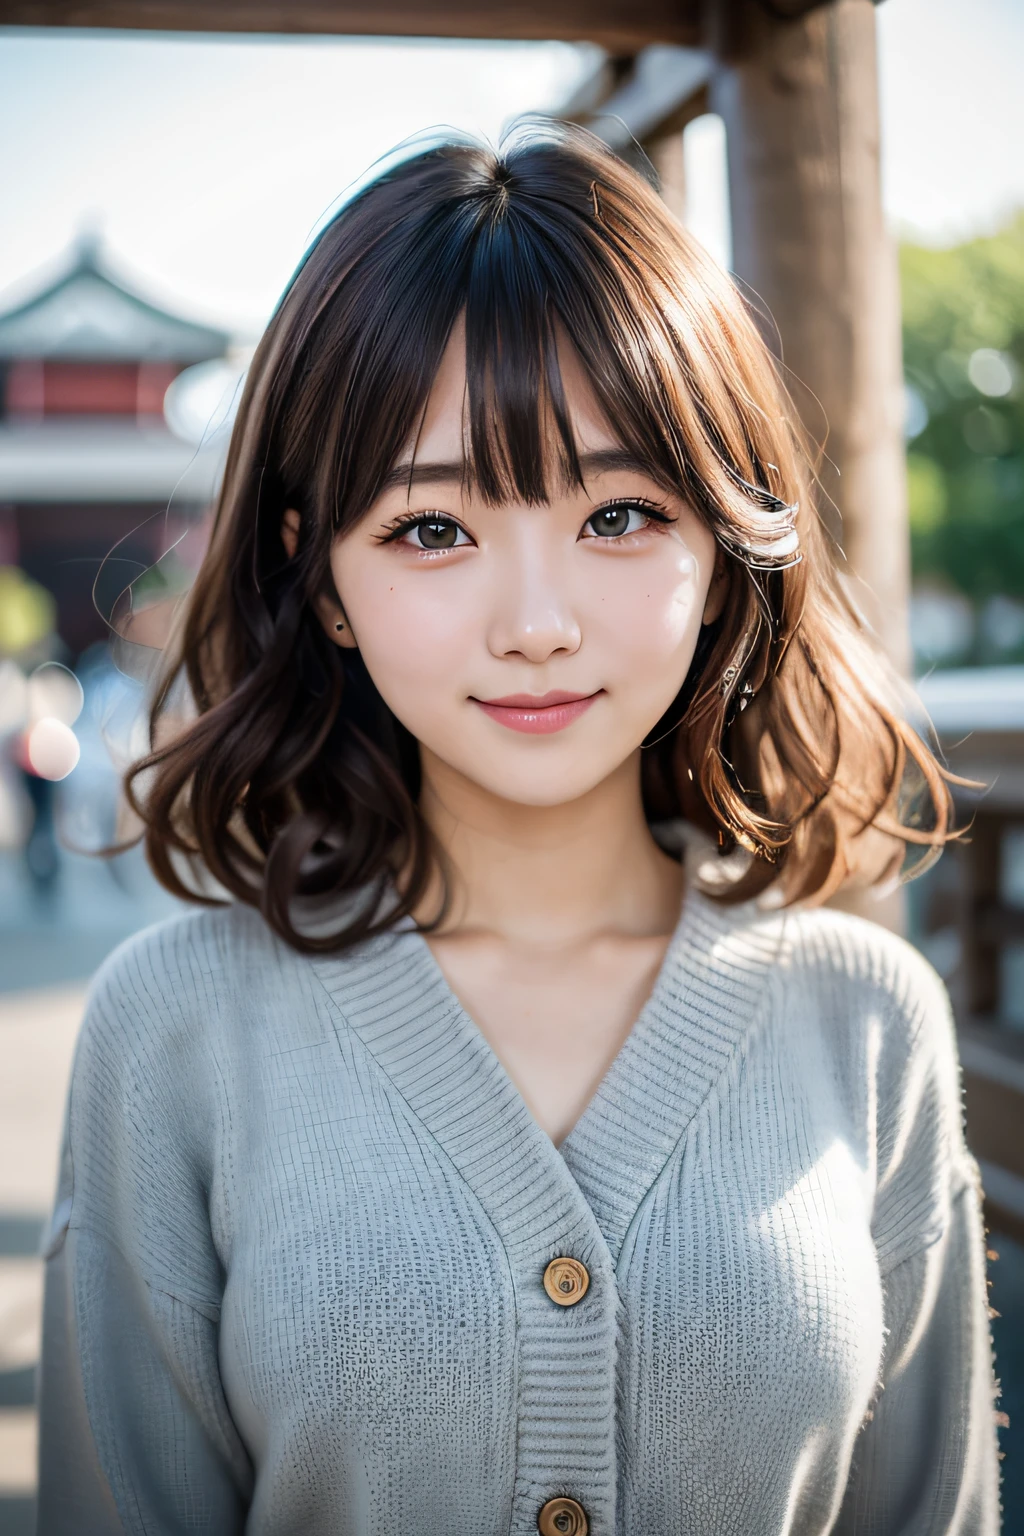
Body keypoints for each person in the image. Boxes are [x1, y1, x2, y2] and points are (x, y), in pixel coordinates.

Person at [36, 123, 1000, 1535]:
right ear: (320, 575)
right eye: (435, 530)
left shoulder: (865, 1022)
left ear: (723, 552)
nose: (537, 624)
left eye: (619, 513)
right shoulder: (175, 1031)